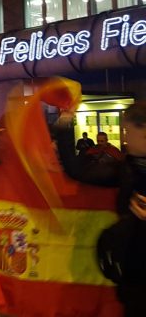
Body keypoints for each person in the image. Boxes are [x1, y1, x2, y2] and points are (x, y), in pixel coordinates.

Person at [56, 103, 146, 316]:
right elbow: (79, 172)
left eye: (128, 131)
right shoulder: (127, 168)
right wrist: (64, 126)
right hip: (132, 275)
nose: (124, 138)